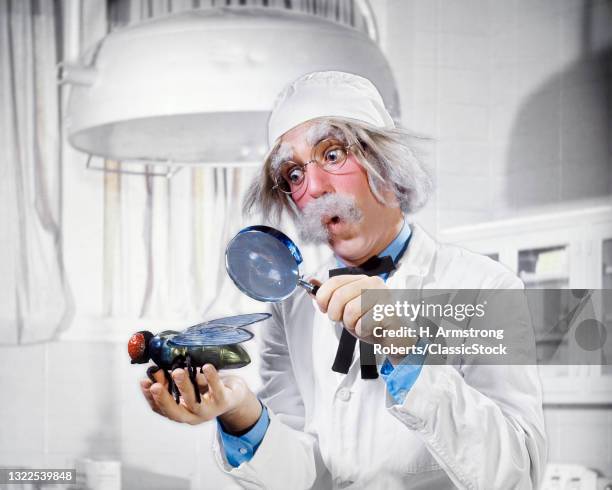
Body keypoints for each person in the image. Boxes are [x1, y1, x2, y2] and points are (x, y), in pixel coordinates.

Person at [140, 71, 546, 489]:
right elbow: (304, 476)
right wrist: (240, 412)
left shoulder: (485, 286)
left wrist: (408, 350)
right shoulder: (292, 305)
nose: (312, 187)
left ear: (387, 162)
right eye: (294, 175)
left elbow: (517, 472)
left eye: (332, 154)